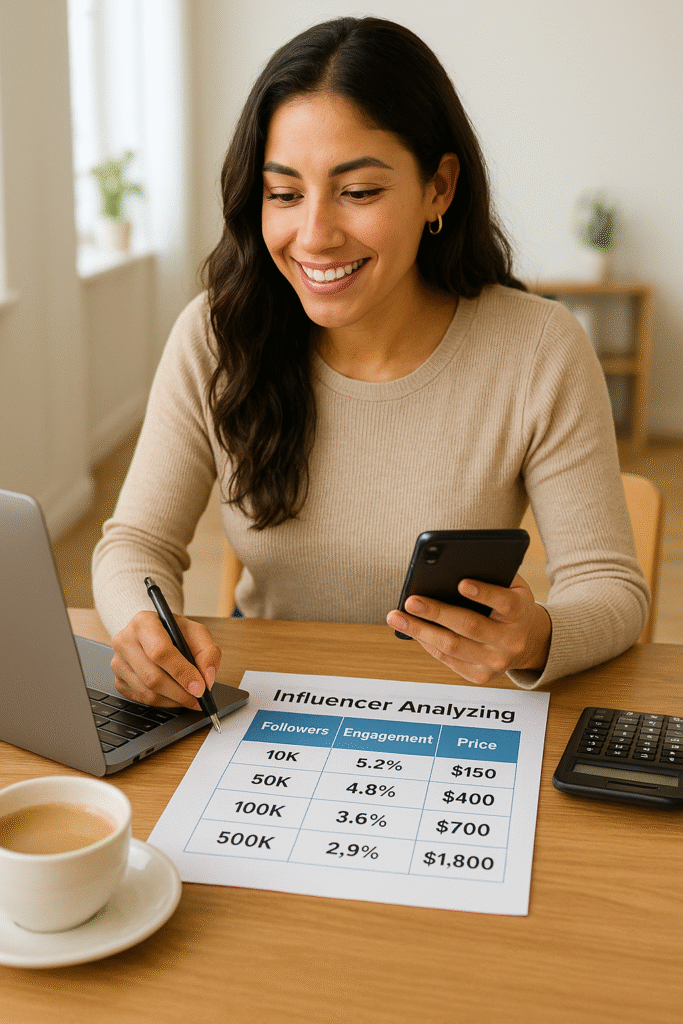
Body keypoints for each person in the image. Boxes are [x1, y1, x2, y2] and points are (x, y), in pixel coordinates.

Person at [92, 16, 649, 711]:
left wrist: (536, 637)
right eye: (285, 193)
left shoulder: (539, 347)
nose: (315, 235)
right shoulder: (218, 334)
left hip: (452, 710)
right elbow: (135, 544)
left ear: (438, 188)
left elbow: (610, 589)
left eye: (357, 193)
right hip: (271, 710)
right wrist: (142, 630)